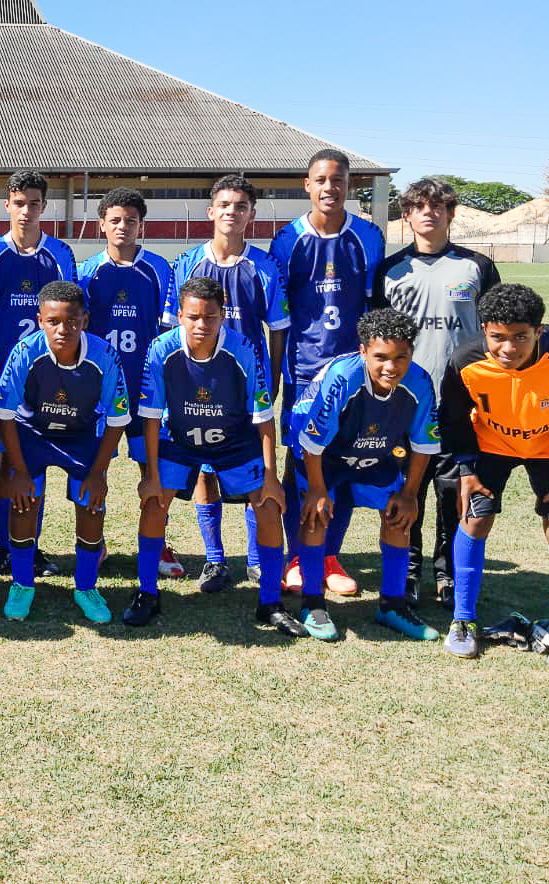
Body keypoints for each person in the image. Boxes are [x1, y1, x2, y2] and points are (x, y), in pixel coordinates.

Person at [439, 284, 549, 673]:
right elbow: (452, 419)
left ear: (539, 331)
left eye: (520, 337)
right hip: (490, 447)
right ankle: (462, 620)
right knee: (474, 516)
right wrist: (465, 469)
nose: (508, 348)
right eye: (497, 337)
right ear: (484, 330)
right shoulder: (465, 359)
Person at [134, 276, 305, 635]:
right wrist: (150, 474)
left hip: (233, 440)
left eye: (210, 318)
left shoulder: (243, 348)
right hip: (179, 438)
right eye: (193, 316)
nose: (201, 325)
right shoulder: (161, 349)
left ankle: (270, 602)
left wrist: (271, 477)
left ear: (222, 316)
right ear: (179, 315)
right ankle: (147, 593)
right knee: (153, 503)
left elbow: (263, 420)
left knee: (269, 504)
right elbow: (150, 418)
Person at [373, 177, 500, 607]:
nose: (429, 213)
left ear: (450, 213)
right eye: (420, 207)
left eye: (438, 206)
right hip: (404, 406)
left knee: (453, 493)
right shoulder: (391, 271)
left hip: (460, 404)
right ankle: (407, 572)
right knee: (405, 492)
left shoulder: (476, 267)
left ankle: (446, 574)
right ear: (406, 216)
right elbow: (378, 339)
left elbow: (496, 334)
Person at [270, 148, 385, 596]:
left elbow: (376, 307)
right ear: (308, 185)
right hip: (304, 373)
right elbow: (279, 316)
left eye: (338, 180)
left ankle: (330, 554)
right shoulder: (287, 241)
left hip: (355, 373)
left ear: (348, 186)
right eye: (321, 180)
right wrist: (279, 375)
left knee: (343, 465)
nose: (329, 188)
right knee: (300, 462)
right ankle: (297, 555)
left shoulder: (369, 236)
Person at [166, 175, 290, 591]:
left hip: (244, 388)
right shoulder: (187, 263)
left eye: (240, 206)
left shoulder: (264, 266)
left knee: (254, 472)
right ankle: (215, 560)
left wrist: (270, 380)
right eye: (224, 204)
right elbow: (169, 331)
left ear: (251, 214)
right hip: (197, 387)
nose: (231, 212)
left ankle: (256, 559)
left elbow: (278, 329)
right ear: (211, 211)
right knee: (205, 470)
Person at [290, 309, 442, 641]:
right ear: (363, 352)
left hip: (374, 452)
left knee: (398, 515)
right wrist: (317, 491)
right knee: (315, 517)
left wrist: (410, 494)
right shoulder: (344, 377)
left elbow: (424, 445)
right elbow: (313, 443)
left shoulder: (419, 382)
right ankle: (313, 603)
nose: (392, 366)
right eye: (381, 357)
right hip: (321, 453)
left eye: (401, 356)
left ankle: (392, 604)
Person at [0, 280, 129, 623]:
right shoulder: (25, 351)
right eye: (53, 321)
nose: (62, 329)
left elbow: (117, 419)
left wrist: (99, 473)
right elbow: (6, 415)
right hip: (32, 434)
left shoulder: (103, 355)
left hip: (81, 435)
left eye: (71, 321)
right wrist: (19, 472)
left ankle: (86, 586)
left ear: (84, 319)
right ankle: (23, 583)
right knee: (24, 502)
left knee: (91, 504)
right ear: (40, 320)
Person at [0, 171, 77, 577]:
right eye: (19, 202)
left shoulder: (60, 255)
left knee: (36, 461)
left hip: (50, 380)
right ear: (7, 205)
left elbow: (68, 313)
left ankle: (29, 544)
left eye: (34, 203)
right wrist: (10, 353)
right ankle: (2, 545)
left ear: (43, 207)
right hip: (4, 375)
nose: (26, 210)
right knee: (4, 460)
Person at [76, 187, 179, 578]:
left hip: (145, 387)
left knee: (150, 469)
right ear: (102, 224)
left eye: (130, 221)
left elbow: (168, 334)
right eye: (115, 220)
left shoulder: (157, 269)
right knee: (95, 467)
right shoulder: (86, 272)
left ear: (142, 225)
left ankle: (160, 545)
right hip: (100, 391)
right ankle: (94, 543)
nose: (122, 227)